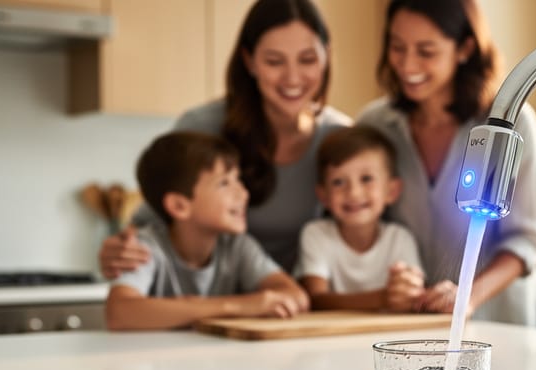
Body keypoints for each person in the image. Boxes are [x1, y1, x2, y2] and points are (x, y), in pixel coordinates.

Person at [98, 0, 351, 278]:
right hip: (207, 304)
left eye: (307, 60)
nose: (292, 77)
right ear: (249, 61)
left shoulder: (340, 137)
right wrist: (119, 249)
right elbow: (154, 220)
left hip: (293, 306)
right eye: (274, 61)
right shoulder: (202, 127)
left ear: (326, 57)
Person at [357, 0, 536, 327]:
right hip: (422, 323)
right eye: (397, 47)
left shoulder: (509, 124)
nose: (407, 64)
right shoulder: (374, 125)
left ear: (463, 48)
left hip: (505, 324)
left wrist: (467, 296)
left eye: (426, 51)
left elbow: (526, 240)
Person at [105, 132, 310, 331]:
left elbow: (297, 297)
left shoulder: (238, 247)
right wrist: (237, 307)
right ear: (179, 206)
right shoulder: (146, 247)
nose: (243, 193)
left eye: (237, 179)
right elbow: (119, 313)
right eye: (224, 183)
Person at [296, 125, 426, 311]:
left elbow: (413, 296)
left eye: (366, 179)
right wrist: (382, 299)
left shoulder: (400, 238)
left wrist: (407, 291)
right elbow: (316, 299)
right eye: (338, 182)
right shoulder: (316, 234)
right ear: (323, 195)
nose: (354, 193)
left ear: (391, 191)